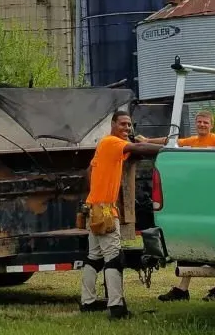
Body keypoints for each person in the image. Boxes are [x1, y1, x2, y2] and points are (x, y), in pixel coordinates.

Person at [139, 110, 215, 302]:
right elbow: (170, 140)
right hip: (198, 197)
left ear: (211, 125)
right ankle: (182, 289)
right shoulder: (191, 141)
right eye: (199, 122)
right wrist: (147, 140)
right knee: (193, 241)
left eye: (205, 122)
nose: (202, 125)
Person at [80, 110, 163, 320]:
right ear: (113, 124)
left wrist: (95, 193)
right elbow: (138, 147)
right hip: (106, 210)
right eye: (123, 124)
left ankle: (87, 302)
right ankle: (117, 307)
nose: (127, 128)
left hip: (94, 208)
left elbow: (88, 171)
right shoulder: (112, 143)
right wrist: (168, 149)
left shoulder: (107, 145)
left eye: (129, 125)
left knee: (94, 258)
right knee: (114, 258)